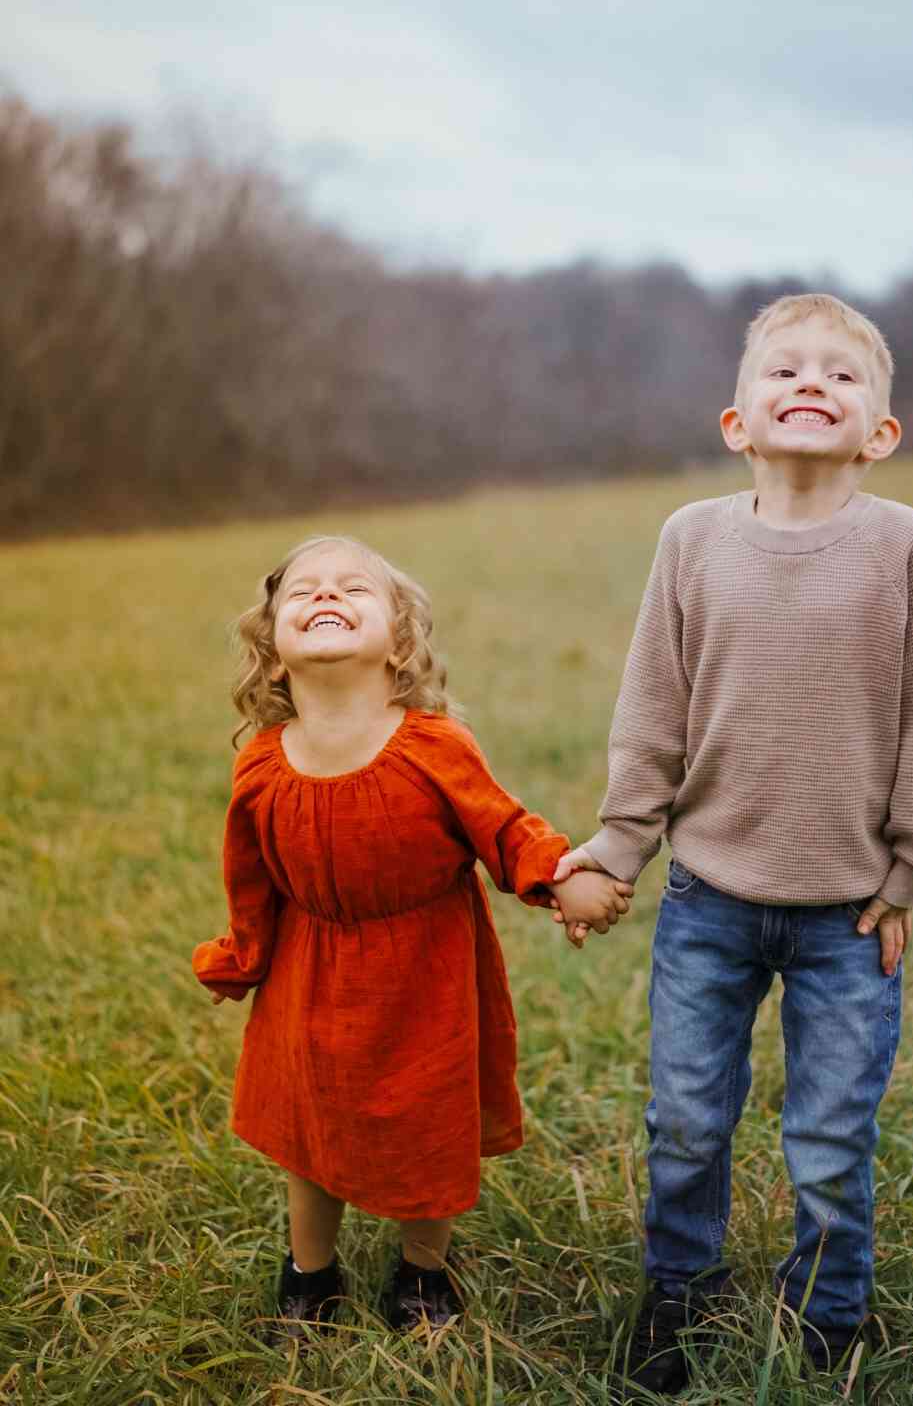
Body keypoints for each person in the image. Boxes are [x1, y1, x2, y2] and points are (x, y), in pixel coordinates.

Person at [553, 293, 913, 1396]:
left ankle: (827, 1315)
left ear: (880, 431)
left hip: (848, 915)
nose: (811, 382)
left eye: (841, 373)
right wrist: (620, 845)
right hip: (709, 899)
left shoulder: (906, 546)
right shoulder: (692, 539)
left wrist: (909, 867)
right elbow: (654, 710)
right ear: (737, 421)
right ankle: (677, 1292)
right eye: (785, 368)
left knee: (830, 1136)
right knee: (687, 1119)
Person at [193, 535, 632, 1341]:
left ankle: (424, 1273)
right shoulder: (260, 765)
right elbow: (249, 879)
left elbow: (503, 829)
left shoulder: (433, 745)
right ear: (275, 655)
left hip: (424, 976)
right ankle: (310, 1274)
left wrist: (560, 876)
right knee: (309, 1130)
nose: (325, 595)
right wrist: (243, 958)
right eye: (303, 592)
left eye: (353, 588)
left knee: (427, 1128)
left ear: (398, 644)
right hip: (309, 973)